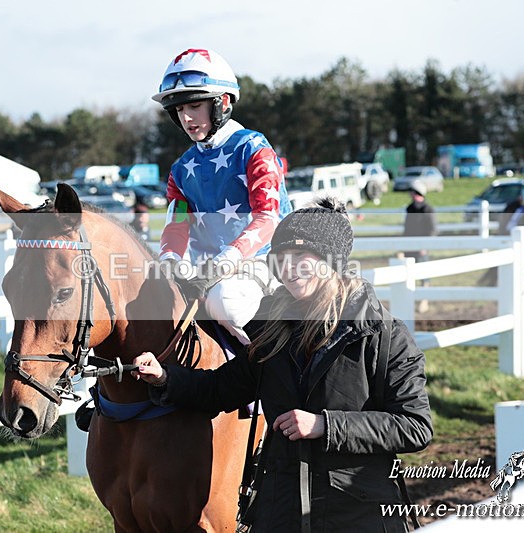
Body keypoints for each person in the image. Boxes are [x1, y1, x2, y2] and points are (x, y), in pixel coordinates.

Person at [132, 199, 432, 532]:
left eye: (301, 257)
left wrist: (325, 426)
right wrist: (163, 377)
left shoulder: (382, 334)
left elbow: (414, 425)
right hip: (279, 509)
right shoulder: (270, 331)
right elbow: (220, 389)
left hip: (359, 512)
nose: (289, 269)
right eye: (281, 259)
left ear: (331, 261)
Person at [152, 48, 292, 345]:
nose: (186, 117)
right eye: (178, 110)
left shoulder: (254, 148)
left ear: (223, 102)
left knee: (227, 301)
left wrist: (225, 261)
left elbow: (268, 219)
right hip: (207, 266)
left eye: (195, 106)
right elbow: (177, 224)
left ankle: (276, 375)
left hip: (266, 260)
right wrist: (169, 260)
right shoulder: (180, 169)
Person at [402, 180, 437, 313]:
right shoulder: (410, 209)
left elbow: (432, 230)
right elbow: (407, 228)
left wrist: (426, 246)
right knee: (410, 273)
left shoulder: (428, 210)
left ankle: (424, 300)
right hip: (410, 246)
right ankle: (412, 298)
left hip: (422, 247)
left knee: (424, 273)